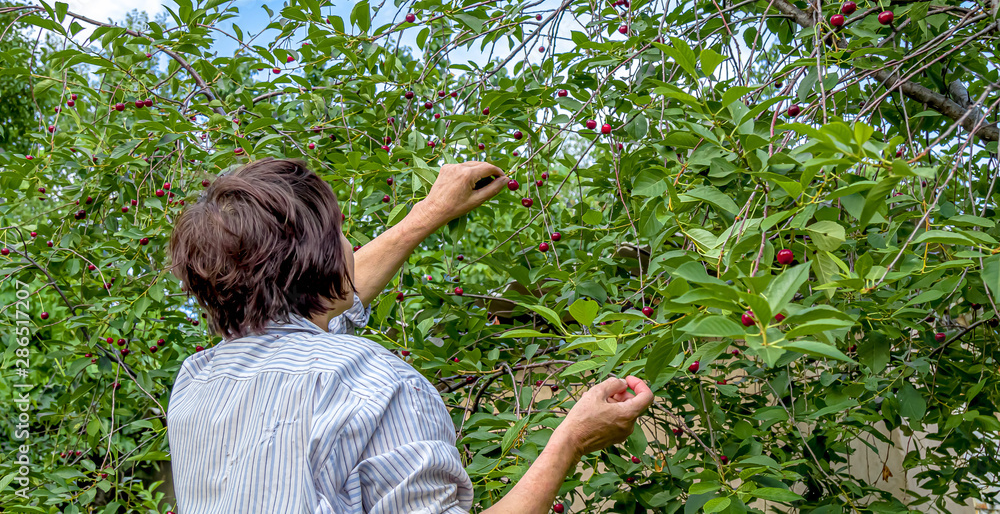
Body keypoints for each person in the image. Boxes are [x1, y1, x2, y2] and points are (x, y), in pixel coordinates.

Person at [166, 157, 654, 513]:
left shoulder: (196, 382)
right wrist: (568, 441)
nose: (351, 245)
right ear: (323, 260)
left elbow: (320, 310)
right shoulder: (376, 384)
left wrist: (429, 212)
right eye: (340, 232)